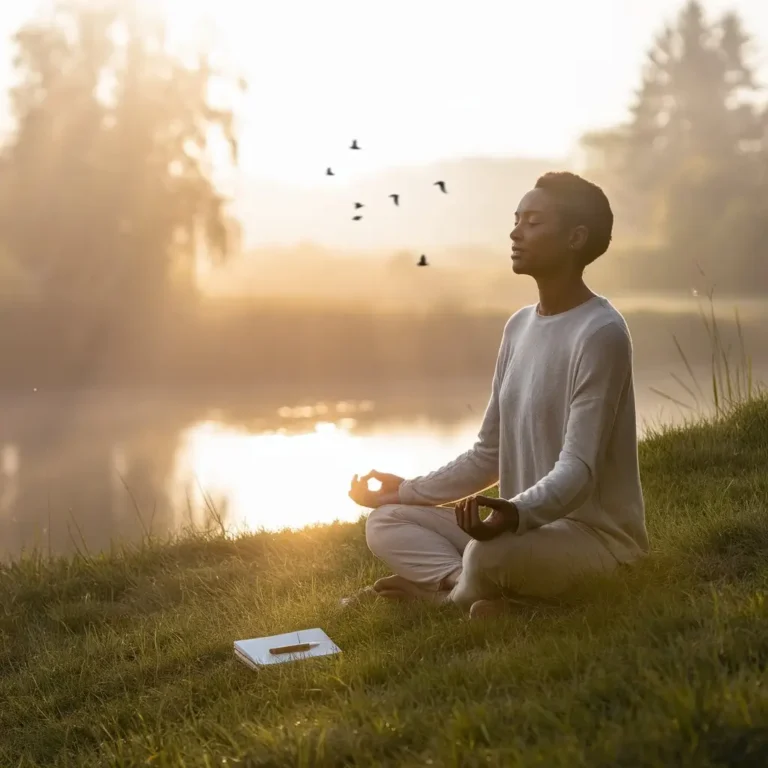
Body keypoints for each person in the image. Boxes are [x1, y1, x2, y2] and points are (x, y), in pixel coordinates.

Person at [347, 171, 650, 619]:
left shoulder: (601, 333)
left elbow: (579, 470)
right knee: (387, 521)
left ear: (575, 238)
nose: (514, 232)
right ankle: (468, 590)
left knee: (488, 555)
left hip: (593, 541)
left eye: (532, 222)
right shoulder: (519, 327)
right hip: (516, 526)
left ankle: (449, 596)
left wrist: (512, 514)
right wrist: (406, 490)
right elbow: (488, 454)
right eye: (516, 219)